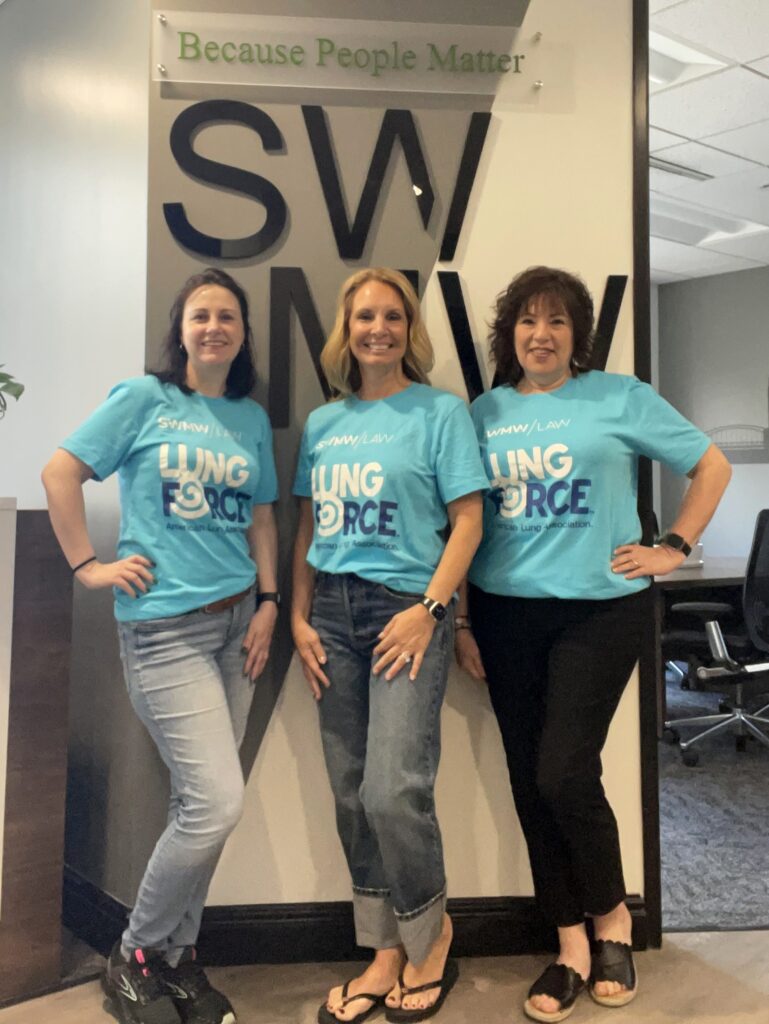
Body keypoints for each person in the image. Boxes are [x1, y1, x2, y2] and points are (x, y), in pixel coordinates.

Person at [455, 266, 731, 1024]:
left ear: (577, 335)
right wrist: (463, 622)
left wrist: (673, 542)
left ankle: (612, 918)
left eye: (556, 322)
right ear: (507, 333)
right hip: (504, 615)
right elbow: (465, 522)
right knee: (525, 777)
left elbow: (710, 464)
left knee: (561, 771)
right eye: (526, 322)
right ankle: (569, 940)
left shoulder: (618, 397)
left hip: (598, 614)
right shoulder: (483, 412)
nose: (540, 335)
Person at [42, 268, 279, 1024]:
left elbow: (263, 520)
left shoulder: (247, 417)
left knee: (197, 802)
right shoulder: (144, 400)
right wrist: (88, 566)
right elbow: (61, 471)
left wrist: (270, 601)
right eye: (201, 315)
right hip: (164, 631)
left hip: (237, 623)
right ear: (179, 329)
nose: (214, 326)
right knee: (215, 802)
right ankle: (135, 955)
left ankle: (177, 960)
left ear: (242, 334)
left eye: (228, 317)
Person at [291, 268, 487, 1024]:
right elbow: (310, 529)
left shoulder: (439, 413)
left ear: (410, 328)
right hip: (331, 617)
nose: (379, 328)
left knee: (391, 789)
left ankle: (430, 939)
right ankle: (381, 950)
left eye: (393, 316)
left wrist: (431, 611)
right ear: (346, 328)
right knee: (349, 791)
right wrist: (302, 616)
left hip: (405, 610)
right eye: (365, 315)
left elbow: (467, 522)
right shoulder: (323, 423)